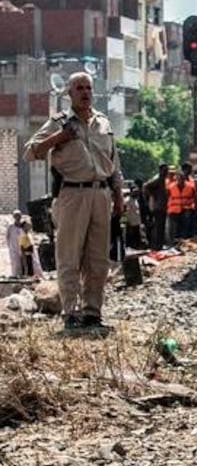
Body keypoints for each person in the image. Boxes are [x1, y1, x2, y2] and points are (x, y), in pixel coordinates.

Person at [24, 71, 123, 331]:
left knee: (98, 258)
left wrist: (119, 195)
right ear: (69, 94)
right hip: (72, 194)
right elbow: (30, 152)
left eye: (88, 87)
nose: (85, 92)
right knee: (69, 256)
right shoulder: (58, 122)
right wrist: (59, 138)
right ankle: (71, 313)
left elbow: (114, 164)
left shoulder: (103, 122)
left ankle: (93, 312)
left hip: (101, 194)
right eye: (79, 88)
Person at [143, 164, 169, 250]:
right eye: (165, 170)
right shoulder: (157, 179)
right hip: (158, 207)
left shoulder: (163, 180)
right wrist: (153, 195)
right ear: (161, 170)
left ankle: (159, 245)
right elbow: (146, 186)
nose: (167, 172)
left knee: (161, 227)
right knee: (158, 227)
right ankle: (156, 246)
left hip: (163, 206)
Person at [167, 166, 194, 244]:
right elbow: (168, 197)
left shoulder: (190, 186)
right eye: (179, 178)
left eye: (182, 178)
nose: (180, 179)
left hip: (186, 209)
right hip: (174, 210)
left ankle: (183, 243)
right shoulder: (171, 187)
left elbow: (193, 198)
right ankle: (174, 243)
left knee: (185, 228)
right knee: (175, 229)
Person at [7, 210, 24, 277]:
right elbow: (7, 236)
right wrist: (9, 245)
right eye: (16, 216)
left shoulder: (23, 225)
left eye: (19, 216)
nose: (18, 217)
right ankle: (15, 274)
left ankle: (22, 274)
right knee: (14, 260)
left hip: (22, 245)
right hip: (13, 246)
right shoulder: (11, 226)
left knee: (22, 260)